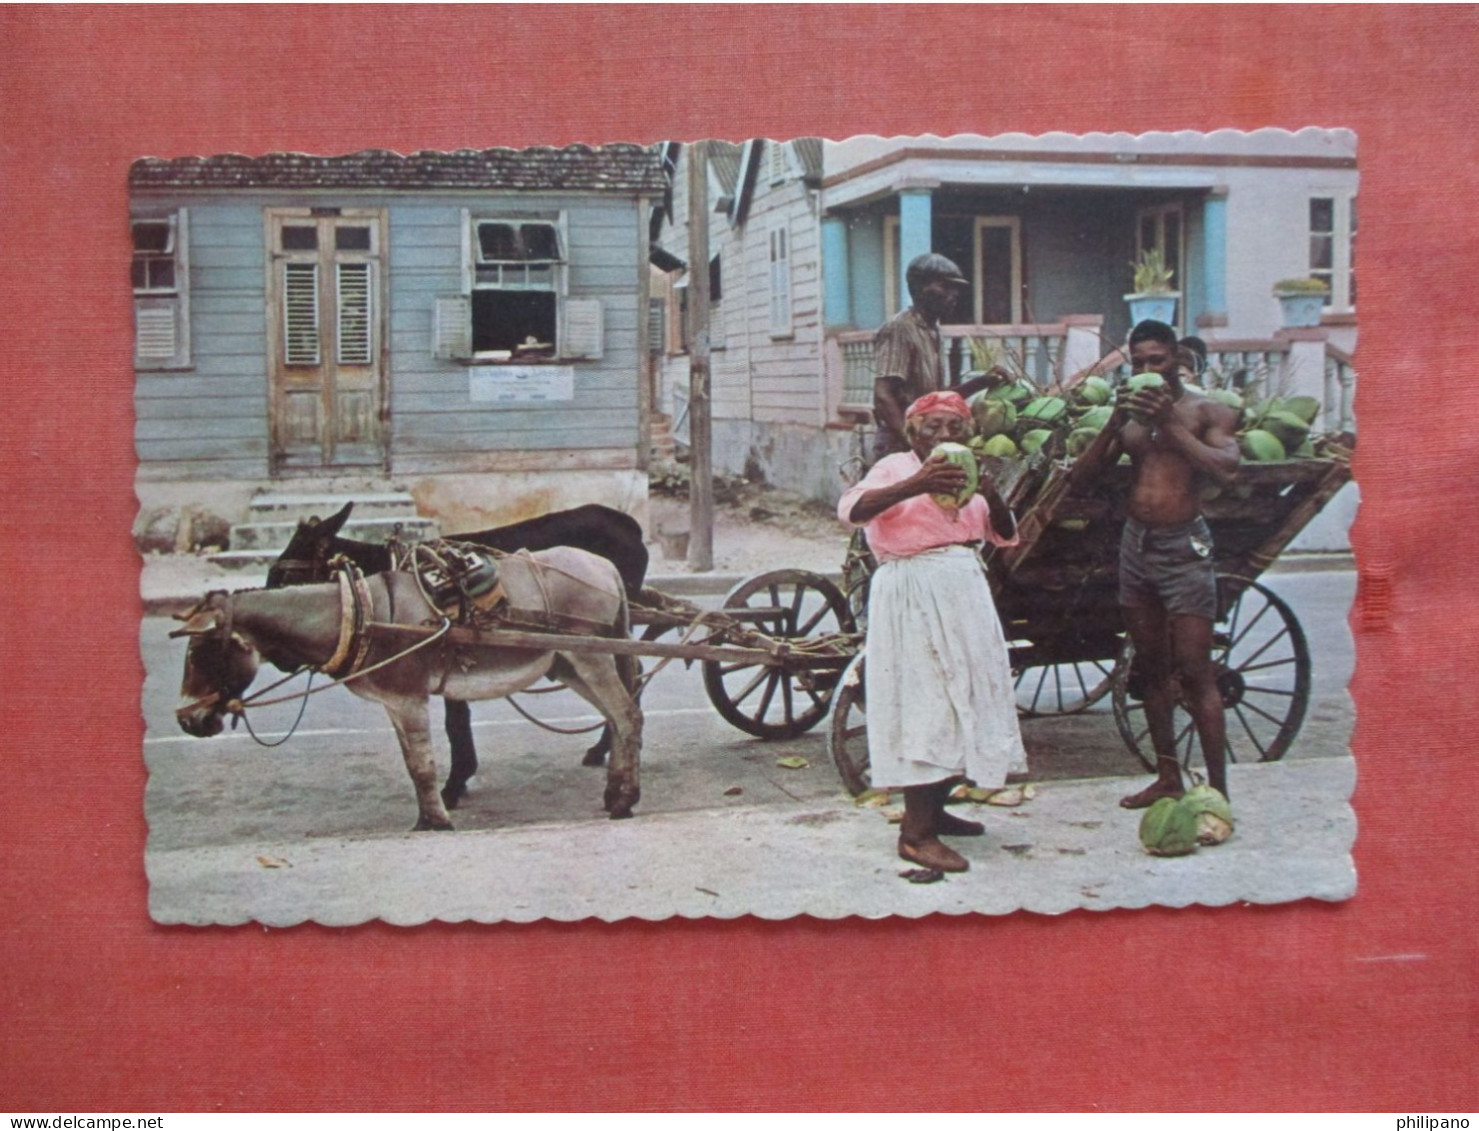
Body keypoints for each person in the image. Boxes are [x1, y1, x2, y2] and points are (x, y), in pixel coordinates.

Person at [838, 390, 1026, 873]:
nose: (944, 435)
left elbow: (1004, 534)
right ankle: (915, 833)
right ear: (912, 433)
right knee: (928, 704)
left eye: (955, 427)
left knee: (966, 699)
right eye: (932, 427)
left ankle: (936, 812)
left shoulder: (968, 471)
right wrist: (917, 483)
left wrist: (990, 490)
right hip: (913, 592)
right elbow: (853, 512)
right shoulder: (895, 468)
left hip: (963, 589)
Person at [1069, 319, 1241, 808]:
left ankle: (1218, 793)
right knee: (1151, 670)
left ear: (1177, 359)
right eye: (1139, 362)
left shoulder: (1207, 410)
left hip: (1183, 547)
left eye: (1157, 361)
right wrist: (1112, 423)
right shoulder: (1131, 416)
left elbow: (1226, 467)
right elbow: (1082, 478)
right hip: (1136, 545)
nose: (1148, 370)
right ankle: (1169, 778)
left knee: (1195, 671)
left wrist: (1167, 421)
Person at [871, 253, 997, 465]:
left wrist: (982, 382)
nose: (953, 294)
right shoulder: (900, 328)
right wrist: (911, 442)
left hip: (927, 441)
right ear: (920, 288)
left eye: (956, 288)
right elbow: (883, 395)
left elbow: (936, 399)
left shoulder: (934, 332)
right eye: (946, 287)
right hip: (900, 444)